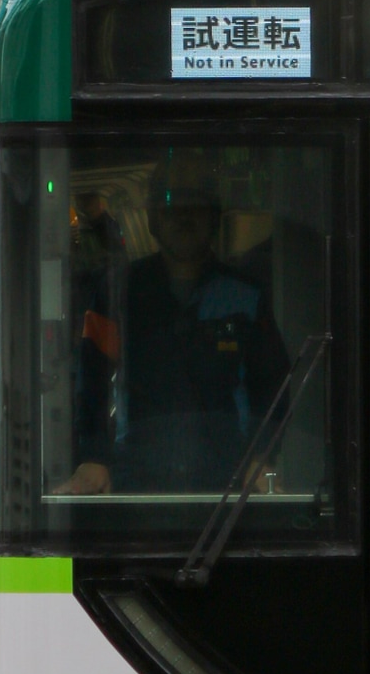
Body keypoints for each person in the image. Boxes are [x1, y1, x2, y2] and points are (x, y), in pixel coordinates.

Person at [58, 153, 290, 495]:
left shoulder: (246, 297)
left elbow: (274, 388)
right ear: (152, 218)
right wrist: (94, 457)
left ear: (214, 217)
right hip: (136, 485)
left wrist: (262, 456)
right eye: (171, 204)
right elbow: (91, 383)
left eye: (196, 205)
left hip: (226, 488)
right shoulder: (117, 293)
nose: (183, 216)